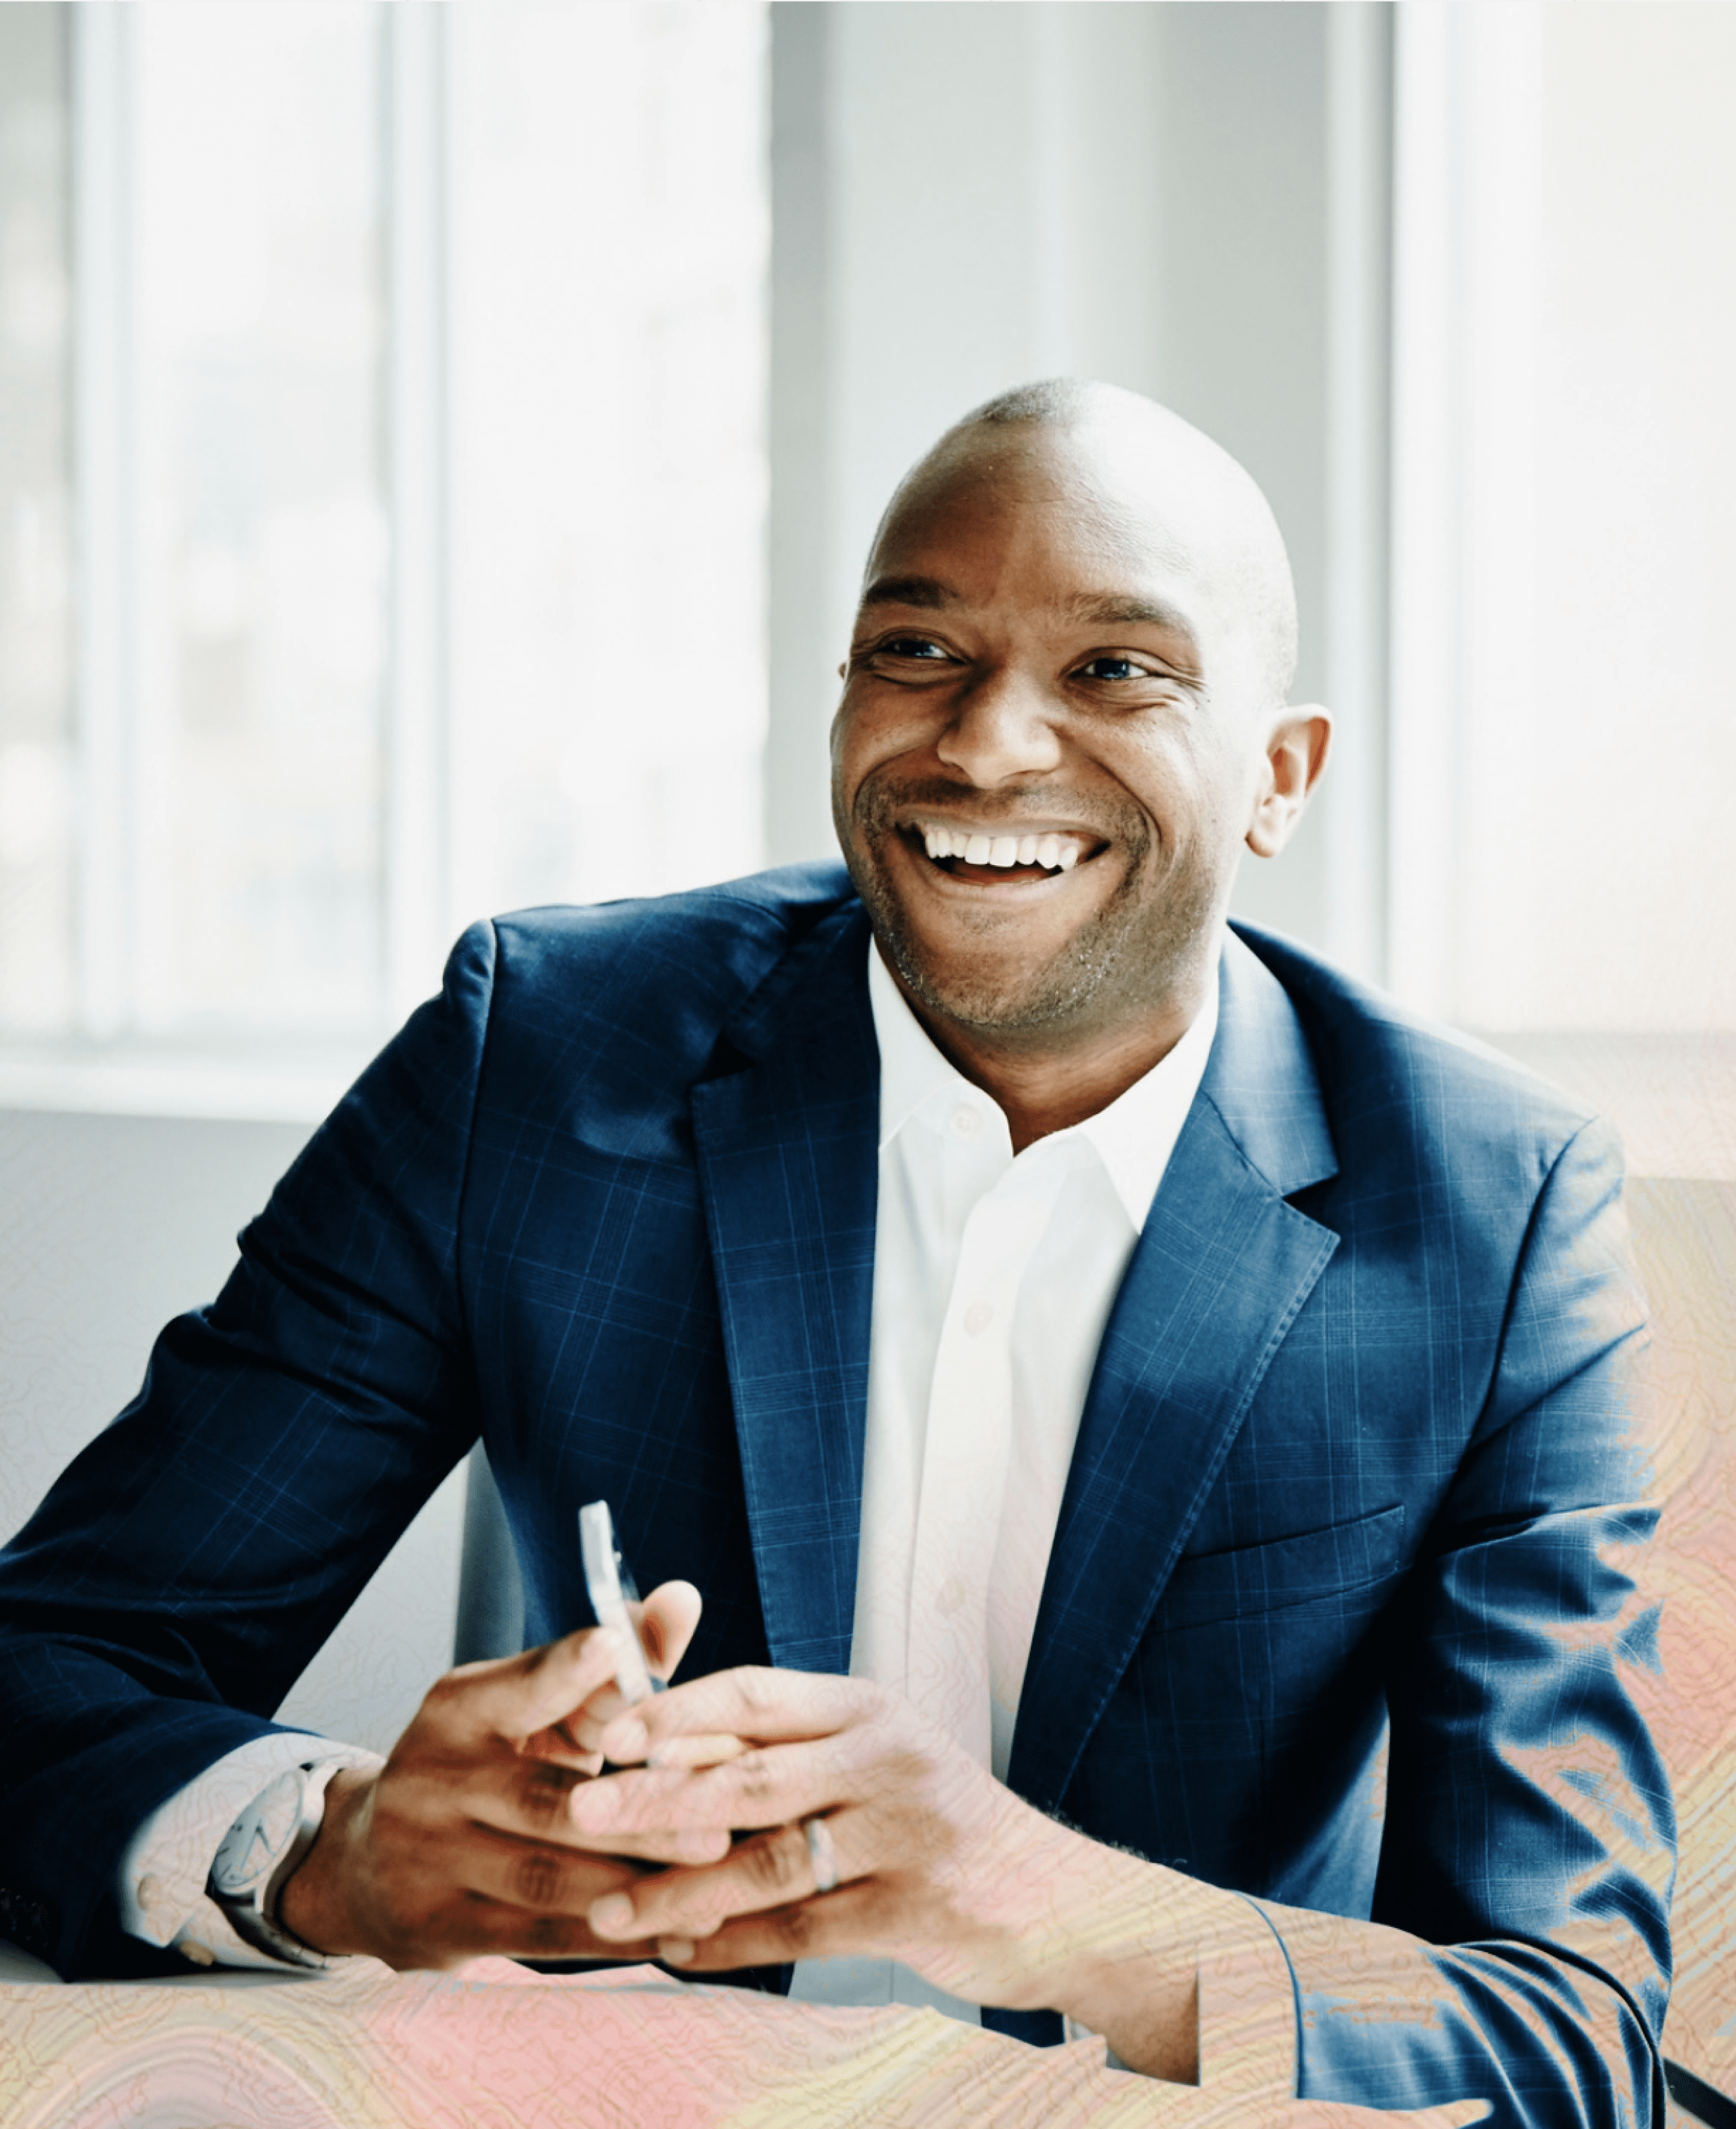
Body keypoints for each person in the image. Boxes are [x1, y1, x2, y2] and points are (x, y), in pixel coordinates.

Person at [0, 382, 1670, 2121]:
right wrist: (330, 1855)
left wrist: (1011, 1891)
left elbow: (1565, 2031)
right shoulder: (538, 1058)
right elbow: (48, 1669)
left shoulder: (1490, 1205)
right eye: (916, 647)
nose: (987, 743)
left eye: (1115, 668)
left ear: (1276, 776)